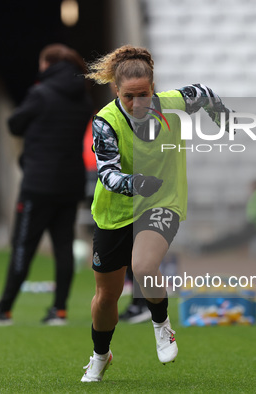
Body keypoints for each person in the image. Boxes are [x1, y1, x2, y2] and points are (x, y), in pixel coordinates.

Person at [80, 45, 232, 382]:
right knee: (106, 297)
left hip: (162, 202)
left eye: (144, 95)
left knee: (144, 266)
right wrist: (137, 182)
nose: (138, 104)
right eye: (130, 96)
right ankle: (100, 355)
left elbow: (205, 93)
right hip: (115, 211)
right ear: (116, 91)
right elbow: (107, 173)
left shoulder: (172, 103)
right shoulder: (106, 122)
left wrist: (222, 115)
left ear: (154, 88)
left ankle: (162, 326)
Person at [0, 44, 93, 326]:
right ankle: (59, 310)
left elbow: (14, 124)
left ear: (47, 64)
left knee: (23, 246)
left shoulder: (41, 93)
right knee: (63, 246)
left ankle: (4, 309)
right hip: (70, 182)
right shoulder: (83, 97)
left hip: (38, 183)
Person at [199, 180, 256, 253]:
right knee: (233, 237)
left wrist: (255, 221)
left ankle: (205, 249)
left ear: (255, 186)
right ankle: (206, 248)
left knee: (232, 238)